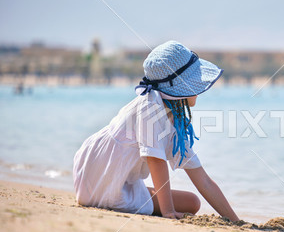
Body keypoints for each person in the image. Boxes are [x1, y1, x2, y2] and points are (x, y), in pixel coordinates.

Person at [73, 41, 239, 221]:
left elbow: (203, 179)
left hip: (111, 177)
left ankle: (145, 199)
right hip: (102, 184)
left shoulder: (173, 118)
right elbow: (155, 160)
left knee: (192, 203)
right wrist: (168, 211)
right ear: (178, 87)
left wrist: (236, 221)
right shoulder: (149, 107)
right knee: (185, 204)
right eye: (195, 81)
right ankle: (149, 204)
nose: (199, 87)